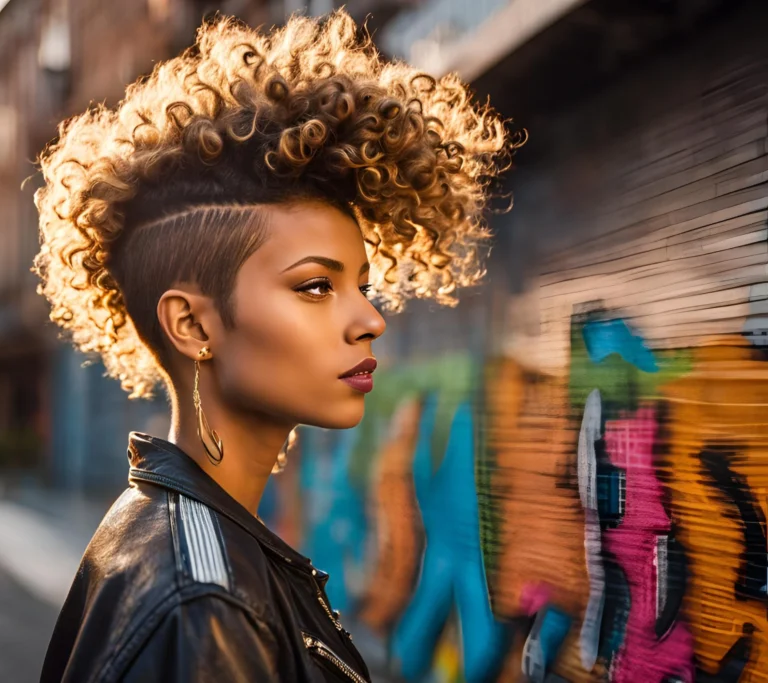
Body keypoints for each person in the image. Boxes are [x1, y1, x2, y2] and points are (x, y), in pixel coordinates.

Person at [34, 10, 511, 683]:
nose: (370, 319)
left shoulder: (176, 536)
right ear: (194, 326)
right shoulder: (205, 604)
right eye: (316, 286)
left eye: (363, 286)